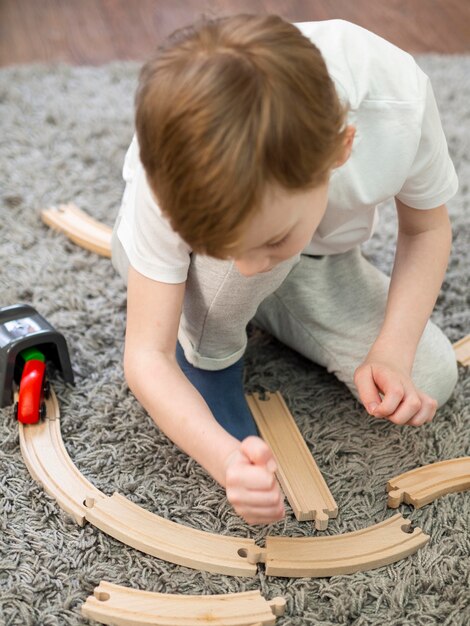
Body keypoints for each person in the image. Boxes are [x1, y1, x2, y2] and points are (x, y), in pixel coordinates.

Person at [111, 15, 459, 525]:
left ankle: (265, 290)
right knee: (245, 270)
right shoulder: (169, 168)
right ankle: (209, 357)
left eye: (270, 239)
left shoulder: (398, 99)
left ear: (341, 149)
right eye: (232, 246)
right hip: (189, 272)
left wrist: (393, 351)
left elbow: (427, 231)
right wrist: (224, 457)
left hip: (319, 255)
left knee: (431, 374)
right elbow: (145, 355)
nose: (248, 265)